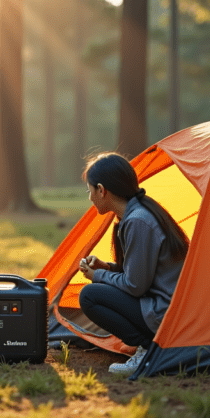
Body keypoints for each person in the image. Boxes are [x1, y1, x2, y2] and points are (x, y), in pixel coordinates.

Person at [77, 152, 189, 375]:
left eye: (90, 191)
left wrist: (97, 276)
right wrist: (107, 267)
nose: (90, 198)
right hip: (163, 302)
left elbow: (135, 286)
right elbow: (141, 272)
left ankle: (148, 350)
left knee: (89, 296)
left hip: (163, 311)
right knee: (97, 289)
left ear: (102, 190)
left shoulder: (138, 221)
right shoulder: (137, 213)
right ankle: (147, 346)